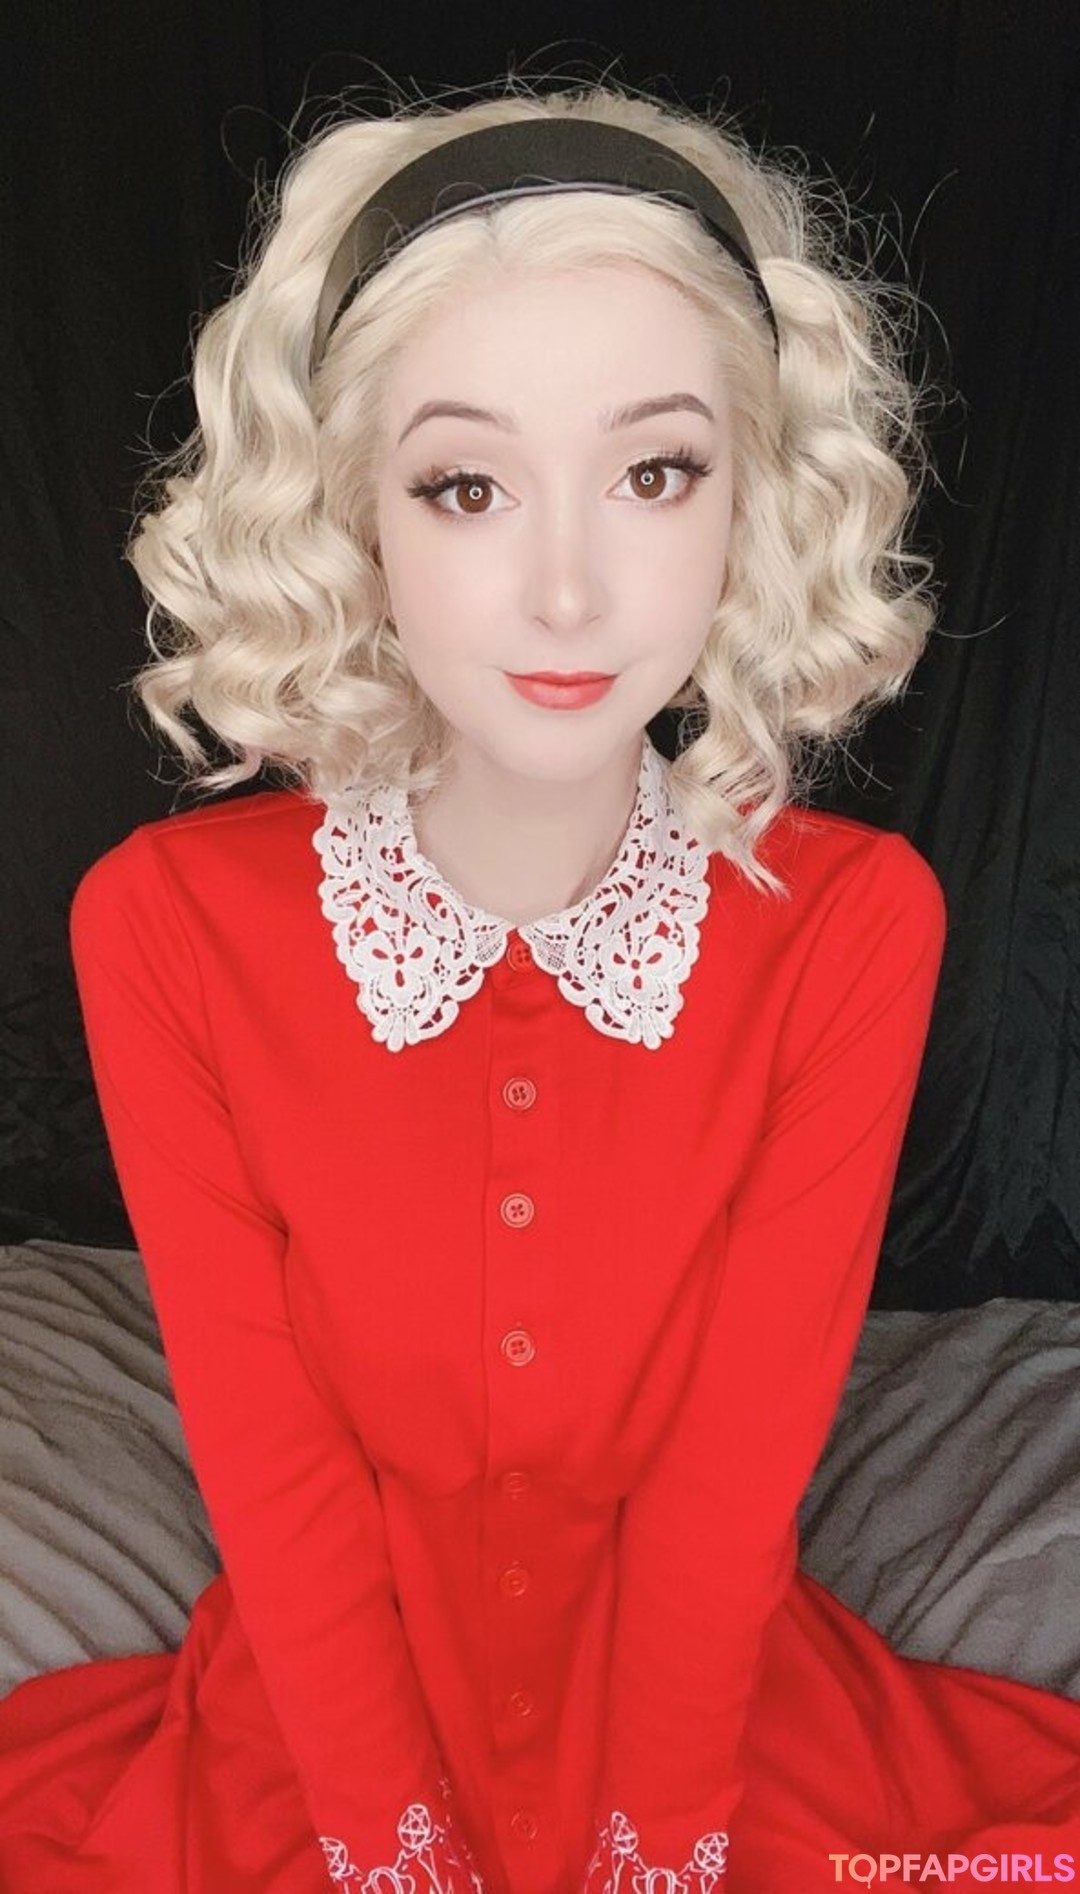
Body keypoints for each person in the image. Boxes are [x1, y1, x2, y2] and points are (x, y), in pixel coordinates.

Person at [1, 78, 1079, 1894]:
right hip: (326, 1721)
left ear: (752, 502)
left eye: (655, 473)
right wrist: (388, 1846)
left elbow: (735, 1468)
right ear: (356, 516)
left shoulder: (849, 924)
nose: (570, 592)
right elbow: (273, 1471)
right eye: (465, 484)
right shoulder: (166, 927)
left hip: (705, 1707)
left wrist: (657, 1847)